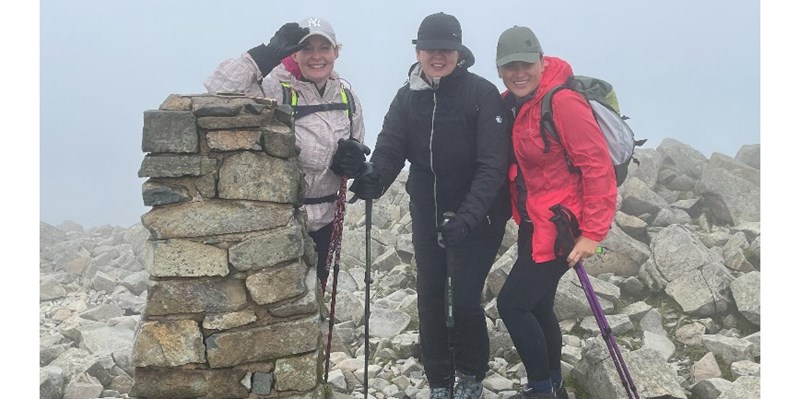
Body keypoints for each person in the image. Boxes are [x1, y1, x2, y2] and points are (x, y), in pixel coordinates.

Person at [350, 12, 511, 399]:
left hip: (479, 216)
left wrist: (469, 218)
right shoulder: (407, 97)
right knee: (431, 295)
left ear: (458, 51)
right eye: (430, 49)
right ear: (419, 51)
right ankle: (439, 379)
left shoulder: (481, 94)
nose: (438, 56)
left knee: (467, 297)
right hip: (427, 211)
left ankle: (472, 373)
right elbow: (391, 149)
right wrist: (375, 179)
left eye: (446, 49)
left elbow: (493, 165)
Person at [493, 26, 618, 399]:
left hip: (564, 228)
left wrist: (593, 233)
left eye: (526, 64)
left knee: (512, 305)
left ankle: (540, 389)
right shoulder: (514, 103)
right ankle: (555, 388)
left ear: (541, 61)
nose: (519, 72)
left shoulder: (562, 102)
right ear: (499, 69)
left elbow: (597, 167)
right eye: (509, 66)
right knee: (539, 305)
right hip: (534, 224)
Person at [204, 17, 369, 287]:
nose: (317, 56)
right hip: (284, 220)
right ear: (295, 53)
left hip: (328, 219)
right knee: (285, 299)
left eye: (324, 48)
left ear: (336, 52)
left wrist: (354, 165)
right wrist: (264, 55)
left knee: (316, 295)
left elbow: (358, 144)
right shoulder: (275, 89)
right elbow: (220, 89)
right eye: (307, 49)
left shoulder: (347, 99)